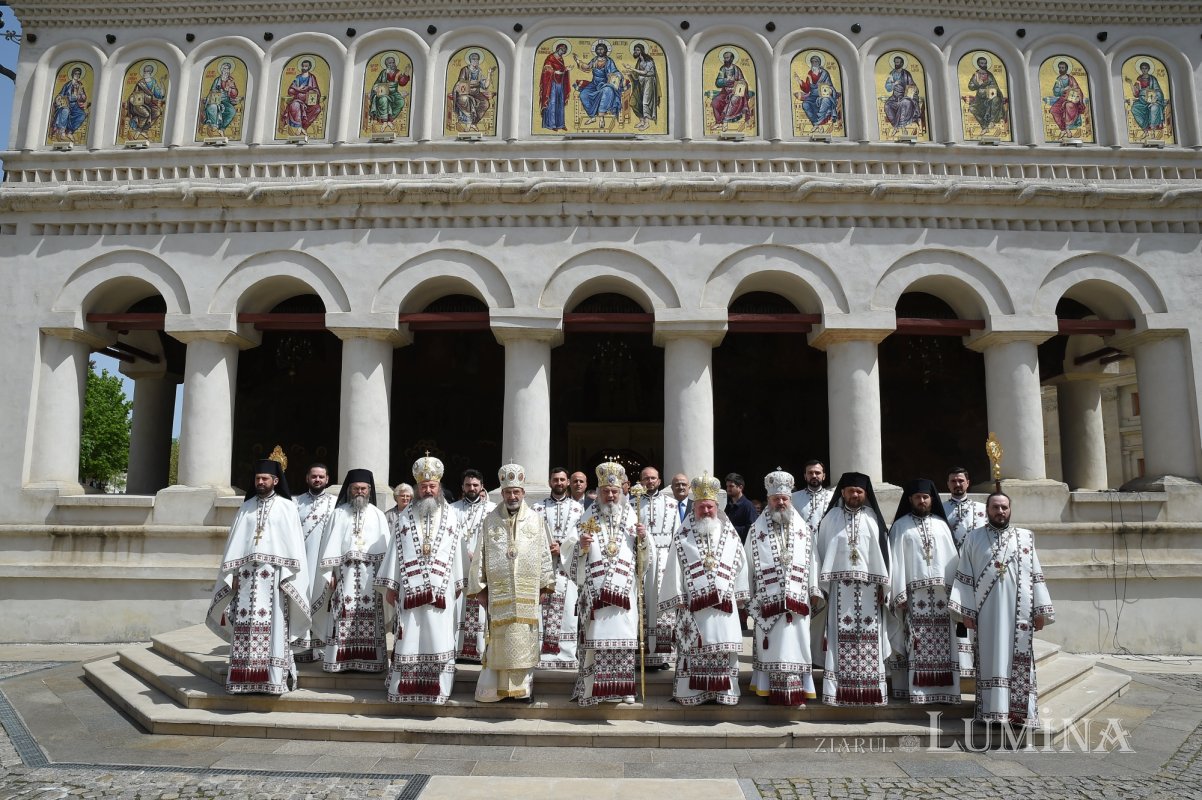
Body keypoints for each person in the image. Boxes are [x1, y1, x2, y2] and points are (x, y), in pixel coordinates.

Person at [205, 458, 310, 695]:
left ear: (275, 480)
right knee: (246, 627)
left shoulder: (287, 507)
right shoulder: (246, 507)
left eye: (265, 479)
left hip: (274, 580)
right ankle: (243, 678)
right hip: (246, 580)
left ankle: (272, 679)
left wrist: (286, 577)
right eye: (257, 479)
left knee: (273, 629)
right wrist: (231, 573)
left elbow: (292, 546)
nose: (260, 482)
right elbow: (235, 543)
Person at [950, 493, 1054, 726]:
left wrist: (1040, 610)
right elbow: (964, 577)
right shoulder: (973, 538)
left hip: (1020, 615)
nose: (1000, 511)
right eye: (995, 507)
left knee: (1018, 662)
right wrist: (966, 612)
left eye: (1004, 507)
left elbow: (1036, 575)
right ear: (987, 510)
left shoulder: (1025, 538)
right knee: (989, 660)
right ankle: (991, 712)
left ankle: (1020, 713)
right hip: (986, 615)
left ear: (1010, 510)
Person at [376, 455, 466, 704]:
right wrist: (392, 586)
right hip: (409, 591)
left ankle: (438, 688)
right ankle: (405, 685)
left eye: (432, 486)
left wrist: (459, 582)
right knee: (410, 637)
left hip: (442, 590)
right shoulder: (405, 517)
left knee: (439, 635)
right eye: (423, 486)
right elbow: (396, 551)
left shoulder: (451, 516)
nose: (427, 490)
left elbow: (458, 551)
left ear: (439, 487)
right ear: (417, 488)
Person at [567, 461, 656, 705]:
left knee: (624, 640)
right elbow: (570, 553)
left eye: (615, 492)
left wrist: (643, 539)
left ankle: (624, 688)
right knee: (596, 641)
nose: (610, 495)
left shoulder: (631, 515)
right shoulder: (588, 516)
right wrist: (581, 548)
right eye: (606, 491)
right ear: (600, 491)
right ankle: (592, 688)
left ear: (621, 492)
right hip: (595, 593)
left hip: (624, 593)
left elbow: (644, 560)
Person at [469, 463, 555, 701]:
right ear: (503, 493)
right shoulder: (490, 520)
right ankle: (496, 690)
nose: (512, 496)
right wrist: (480, 588)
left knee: (523, 638)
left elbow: (544, 554)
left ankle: (522, 690)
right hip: (499, 592)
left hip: (527, 592)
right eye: (508, 492)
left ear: (523, 493)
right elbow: (481, 555)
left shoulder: (536, 520)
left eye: (516, 492)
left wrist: (546, 585)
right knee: (499, 639)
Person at [659, 473, 748, 705]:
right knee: (693, 649)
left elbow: (740, 563)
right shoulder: (682, 535)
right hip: (692, 607)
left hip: (723, 606)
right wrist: (677, 595)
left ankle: (724, 693)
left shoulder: (729, 533)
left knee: (722, 648)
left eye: (709, 507)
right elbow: (673, 566)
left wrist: (739, 594)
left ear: (716, 507)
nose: (706, 511)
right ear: (694, 508)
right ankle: (692, 693)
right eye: (701, 507)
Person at [747, 469, 822, 706]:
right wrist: (747, 596)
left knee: (797, 643)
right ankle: (767, 689)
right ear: (768, 500)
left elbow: (813, 561)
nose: (780, 502)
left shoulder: (803, 530)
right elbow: (747, 565)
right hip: (767, 601)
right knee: (771, 644)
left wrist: (813, 589)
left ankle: (799, 689)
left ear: (790, 499)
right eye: (775, 499)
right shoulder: (755, 531)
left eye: (784, 498)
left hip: (797, 601)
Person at [816, 471, 891, 706]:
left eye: (859, 491)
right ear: (843, 493)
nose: (855, 495)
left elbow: (883, 556)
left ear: (865, 493)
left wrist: (883, 586)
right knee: (840, 639)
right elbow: (819, 553)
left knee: (870, 639)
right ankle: (838, 691)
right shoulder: (830, 518)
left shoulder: (872, 518)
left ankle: (870, 692)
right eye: (851, 491)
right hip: (839, 591)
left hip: (870, 591)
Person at [886, 479, 961, 704]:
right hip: (913, 598)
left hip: (941, 598)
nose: (922, 500)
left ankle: (946, 692)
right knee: (914, 644)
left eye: (925, 497)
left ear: (932, 499)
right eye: (917, 497)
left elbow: (952, 560)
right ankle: (918, 694)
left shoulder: (941, 524)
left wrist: (955, 595)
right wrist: (899, 593)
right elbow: (895, 562)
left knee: (945, 645)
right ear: (910, 499)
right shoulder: (900, 526)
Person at [312, 469, 391, 673]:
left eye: (363, 488)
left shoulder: (378, 515)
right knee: (342, 615)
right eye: (356, 488)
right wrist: (328, 572)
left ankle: (371, 662)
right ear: (349, 490)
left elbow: (386, 551)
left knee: (371, 617)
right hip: (344, 576)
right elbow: (327, 547)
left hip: (371, 579)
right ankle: (340, 660)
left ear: (369, 490)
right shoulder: (338, 514)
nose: (359, 492)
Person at [533, 467, 584, 668]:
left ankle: (566, 653)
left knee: (567, 612)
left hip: (567, 568)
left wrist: (562, 547)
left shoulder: (579, 509)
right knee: (541, 610)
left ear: (568, 482)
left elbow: (582, 538)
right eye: (556, 480)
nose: (560, 483)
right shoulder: (537, 508)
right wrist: (547, 548)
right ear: (550, 482)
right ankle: (540, 653)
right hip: (543, 567)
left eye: (563, 480)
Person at [632, 465, 680, 670]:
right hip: (640, 559)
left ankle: (662, 656)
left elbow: (676, 535)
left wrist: (673, 564)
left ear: (659, 481)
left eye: (653, 478)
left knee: (662, 607)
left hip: (664, 559)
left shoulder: (671, 504)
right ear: (640, 481)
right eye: (646, 478)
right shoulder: (632, 503)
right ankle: (639, 655)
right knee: (640, 605)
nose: (649, 482)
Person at [293, 462, 337, 661]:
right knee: (300, 602)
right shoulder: (295, 503)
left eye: (321, 477)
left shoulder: (336, 504)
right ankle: (300, 648)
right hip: (300, 565)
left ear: (327, 479)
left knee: (322, 604)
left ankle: (320, 648)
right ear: (307, 479)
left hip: (323, 565)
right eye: (314, 476)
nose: (317, 479)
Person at [943, 466, 983, 679]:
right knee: (957, 617)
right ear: (948, 484)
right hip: (952, 571)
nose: (957, 484)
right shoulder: (940, 509)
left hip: (978, 573)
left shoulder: (983, 509)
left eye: (960, 480)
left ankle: (979, 661)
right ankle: (960, 662)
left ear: (968, 482)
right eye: (953, 481)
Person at [453, 468, 496, 662]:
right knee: (458, 608)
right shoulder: (451, 509)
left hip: (482, 568)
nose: (472, 488)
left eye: (475, 485)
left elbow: (496, 539)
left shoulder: (493, 510)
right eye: (468, 485)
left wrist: (478, 555)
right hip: (458, 568)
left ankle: (479, 651)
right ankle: (456, 649)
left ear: (482, 487)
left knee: (479, 611)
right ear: (462, 487)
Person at [574, 41, 623, 124]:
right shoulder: (594, 60)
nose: (600, 51)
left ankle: (601, 118)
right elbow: (587, 67)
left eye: (602, 49)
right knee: (583, 94)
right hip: (594, 84)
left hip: (605, 84)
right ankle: (592, 117)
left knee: (607, 91)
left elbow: (616, 71)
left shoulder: (609, 61)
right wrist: (578, 61)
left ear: (606, 51)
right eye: (598, 49)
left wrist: (615, 74)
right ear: (596, 51)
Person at [449, 50, 494, 132]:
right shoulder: (465, 69)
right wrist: (476, 83)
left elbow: (485, 86)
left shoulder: (479, 71)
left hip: (476, 93)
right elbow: (461, 83)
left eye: (477, 59)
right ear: (470, 60)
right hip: (465, 93)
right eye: (473, 59)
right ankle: (468, 122)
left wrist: (489, 74)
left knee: (486, 103)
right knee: (464, 99)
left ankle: (474, 122)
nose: (475, 61)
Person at [710, 50, 751, 131]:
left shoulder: (737, 69)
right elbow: (718, 82)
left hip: (736, 92)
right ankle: (718, 123)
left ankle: (725, 122)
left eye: (727, 58)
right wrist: (725, 81)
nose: (725, 60)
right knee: (715, 101)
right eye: (724, 58)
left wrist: (736, 83)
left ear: (732, 58)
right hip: (725, 92)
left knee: (733, 99)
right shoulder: (723, 69)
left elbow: (743, 81)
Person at [367, 55, 410, 131]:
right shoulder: (383, 72)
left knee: (401, 102)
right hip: (383, 92)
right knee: (383, 100)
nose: (392, 64)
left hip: (394, 93)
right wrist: (376, 88)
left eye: (393, 62)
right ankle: (384, 121)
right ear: (386, 64)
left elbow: (402, 83)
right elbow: (376, 83)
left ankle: (390, 120)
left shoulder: (398, 72)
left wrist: (406, 74)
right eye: (390, 63)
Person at [280, 59, 322, 135]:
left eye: (306, 66)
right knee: (295, 105)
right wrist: (298, 89)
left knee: (317, 108)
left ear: (309, 67)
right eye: (303, 66)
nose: (304, 67)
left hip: (308, 101)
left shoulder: (312, 77)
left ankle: (304, 127)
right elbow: (290, 90)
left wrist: (309, 90)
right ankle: (298, 126)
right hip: (297, 99)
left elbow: (316, 90)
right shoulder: (298, 78)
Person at [883, 55, 923, 133]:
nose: (896, 64)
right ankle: (896, 126)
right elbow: (888, 87)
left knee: (904, 103)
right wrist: (894, 84)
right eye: (895, 62)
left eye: (898, 62)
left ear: (902, 63)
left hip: (905, 97)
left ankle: (901, 128)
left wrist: (909, 94)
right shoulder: (892, 73)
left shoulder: (906, 74)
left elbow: (912, 85)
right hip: (894, 98)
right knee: (887, 105)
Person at [797, 55, 840, 128]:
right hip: (812, 96)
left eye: (816, 61)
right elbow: (807, 88)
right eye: (812, 62)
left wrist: (830, 90)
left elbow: (830, 85)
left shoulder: (824, 73)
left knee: (826, 100)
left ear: (819, 63)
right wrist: (799, 81)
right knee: (805, 104)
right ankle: (815, 123)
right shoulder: (810, 73)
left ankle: (818, 122)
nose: (814, 63)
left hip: (823, 95)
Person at [126, 62, 166, 139]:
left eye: (146, 72)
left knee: (157, 112)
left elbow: (159, 95)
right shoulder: (140, 83)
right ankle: (139, 130)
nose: (144, 73)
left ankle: (144, 130)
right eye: (144, 72)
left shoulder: (153, 82)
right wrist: (131, 99)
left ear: (150, 73)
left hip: (149, 104)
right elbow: (134, 94)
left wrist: (161, 83)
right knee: (146, 114)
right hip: (138, 104)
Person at [966, 55, 1006, 133]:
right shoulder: (976, 75)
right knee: (972, 109)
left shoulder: (990, 75)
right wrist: (979, 84)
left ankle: (992, 121)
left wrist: (988, 86)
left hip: (990, 96)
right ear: (978, 64)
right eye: (981, 63)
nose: (983, 65)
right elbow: (970, 87)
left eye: (985, 63)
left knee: (996, 100)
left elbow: (995, 86)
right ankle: (984, 127)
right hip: (980, 99)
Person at [200, 60, 240, 137]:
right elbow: (212, 91)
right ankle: (214, 127)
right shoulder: (217, 80)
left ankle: (222, 129)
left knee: (231, 111)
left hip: (225, 101)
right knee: (212, 107)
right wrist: (217, 93)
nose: (226, 71)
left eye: (228, 69)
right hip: (215, 100)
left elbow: (234, 94)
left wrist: (231, 89)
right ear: (221, 70)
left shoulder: (231, 80)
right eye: (224, 69)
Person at [50, 66, 89, 142]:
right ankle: (62, 132)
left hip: (75, 106)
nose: (77, 75)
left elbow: (84, 98)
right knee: (65, 111)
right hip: (66, 104)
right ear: (72, 74)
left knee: (82, 115)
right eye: (75, 74)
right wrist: (58, 98)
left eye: (78, 74)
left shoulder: (80, 85)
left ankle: (70, 132)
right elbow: (61, 94)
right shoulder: (67, 85)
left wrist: (80, 94)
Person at [539, 42, 571, 132]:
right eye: (562, 50)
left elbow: (561, 70)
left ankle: (560, 124)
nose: (563, 52)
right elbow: (546, 69)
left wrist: (566, 70)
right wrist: (554, 72)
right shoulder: (550, 58)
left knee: (560, 103)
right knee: (552, 102)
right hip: (551, 83)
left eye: (564, 51)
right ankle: (551, 124)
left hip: (560, 83)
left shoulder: (561, 59)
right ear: (558, 49)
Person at [1048, 60, 1086, 136]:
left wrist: (1071, 89)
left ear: (1066, 68)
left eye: (1063, 68)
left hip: (1072, 99)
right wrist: (1062, 89)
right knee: (1053, 110)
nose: (1061, 69)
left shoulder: (1071, 78)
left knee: (1068, 106)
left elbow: (1077, 89)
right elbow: (1055, 91)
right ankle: (1063, 129)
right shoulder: (1058, 79)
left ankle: (1067, 127)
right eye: (1060, 68)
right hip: (1062, 98)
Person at [1129, 61, 1166, 135]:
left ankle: (1152, 130)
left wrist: (1153, 98)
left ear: (1148, 69)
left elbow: (1158, 91)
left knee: (1154, 108)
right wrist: (1130, 83)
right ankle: (1144, 128)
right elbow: (1136, 94)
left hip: (1153, 100)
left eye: (1146, 68)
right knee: (1134, 108)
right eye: (1142, 68)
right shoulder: (1139, 79)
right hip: (1142, 101)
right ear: (1140, 69)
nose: (1144, 70)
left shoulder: (1152, 79)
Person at [628, 42, 659, 131]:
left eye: (637, 50)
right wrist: (630, 73)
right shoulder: (639, 61)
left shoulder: (649, 60)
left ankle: (647, 123)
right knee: (634, 101)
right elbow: (637, 74)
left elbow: (645, 72)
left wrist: (632, 69)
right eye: (635, 50)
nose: (635, 51)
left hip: (648, 82)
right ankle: (641, 120)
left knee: (645, 102)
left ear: (642, 51)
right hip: (640, 82)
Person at [723, 472, 757, 543]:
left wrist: (730, 529)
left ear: (740, 487)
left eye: (731, 486)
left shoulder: (748, 506)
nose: (728, 489)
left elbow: (751, 529)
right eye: (727, 486)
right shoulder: (728, 505)